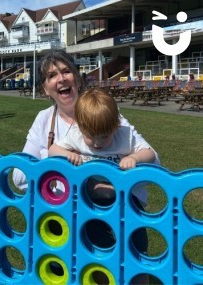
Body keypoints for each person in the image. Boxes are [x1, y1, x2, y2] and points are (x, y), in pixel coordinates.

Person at [12, 50, 159, 284]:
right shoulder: (44, 120)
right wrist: (78, 176)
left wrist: (108, 179)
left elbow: (154, 160)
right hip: (64, 218)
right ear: (45, 88)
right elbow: (19, 177)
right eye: (52, 75)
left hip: (116, 212)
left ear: (78, 78)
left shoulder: (103, 112)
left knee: (126, 264)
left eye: (66, 71)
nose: (60, 79)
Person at [48, 87, 159, 205]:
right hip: (90, 197)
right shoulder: (76, 135)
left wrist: (134, 158)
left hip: (124, 197)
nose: (97, 143)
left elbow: (150, 153)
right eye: (90, 137)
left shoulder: (124, 136)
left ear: (116, 127)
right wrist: (68, 154)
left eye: (105, 136)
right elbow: (52, 150)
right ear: (80, 127)